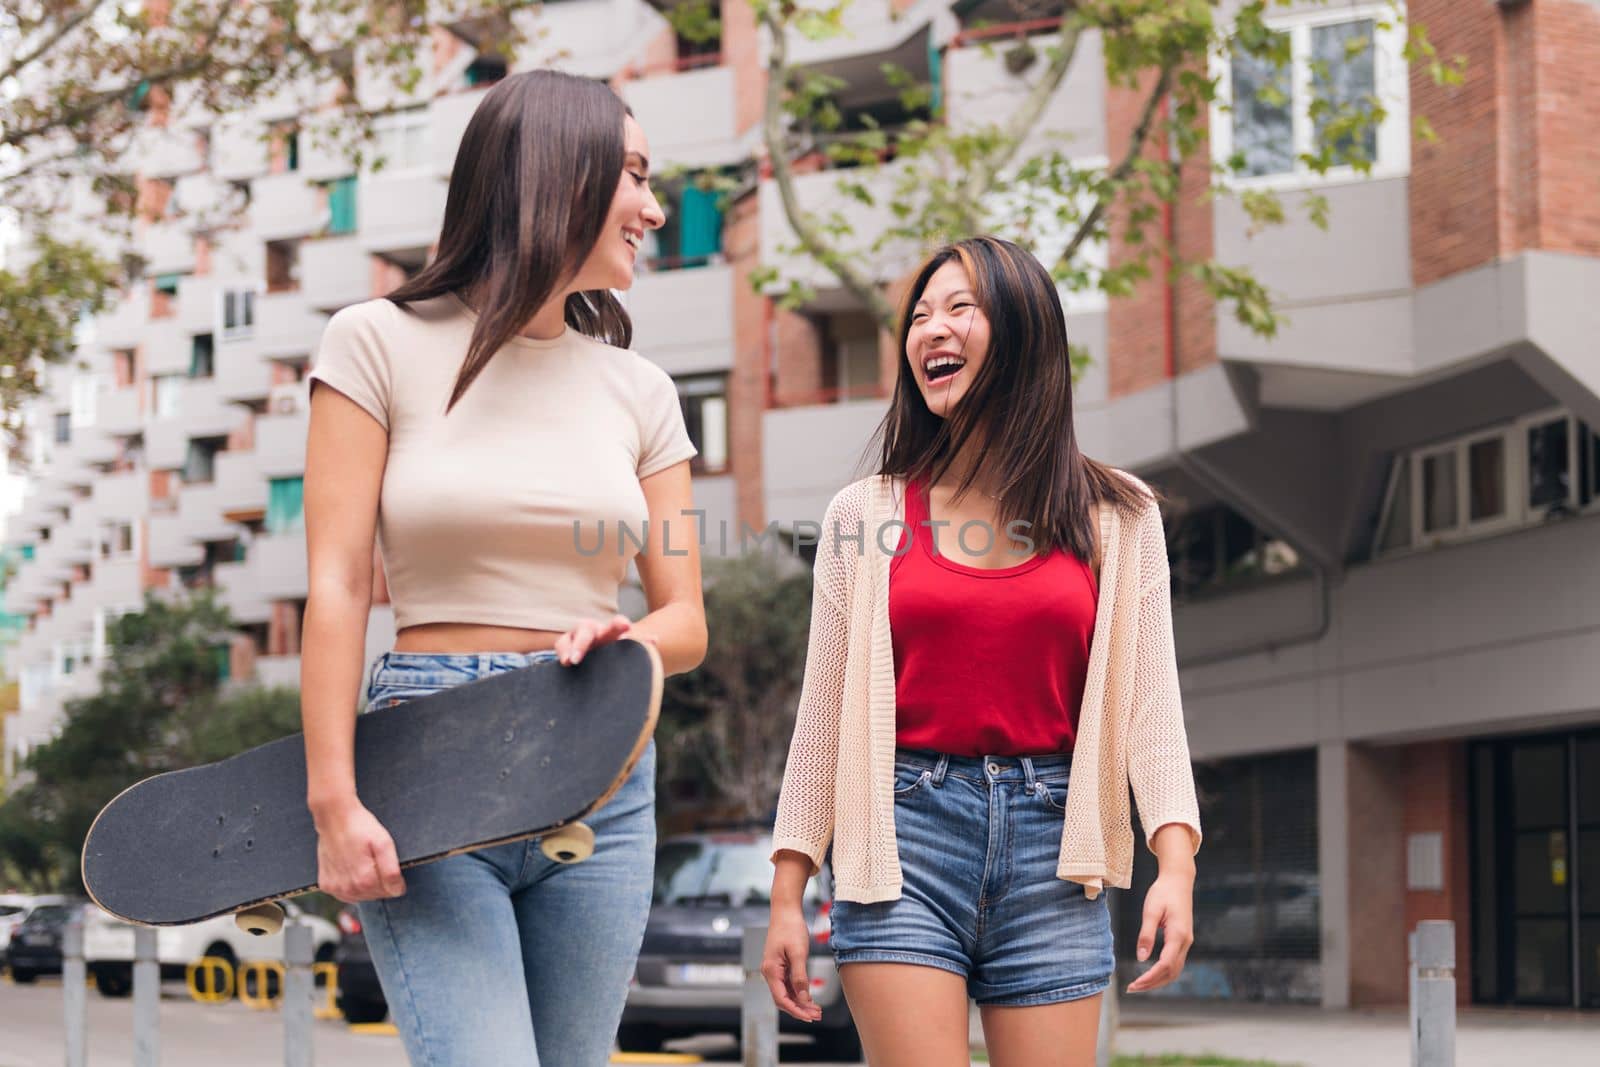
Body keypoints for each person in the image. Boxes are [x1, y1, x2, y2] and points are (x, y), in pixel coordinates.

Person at [300, 70, 707, 1066]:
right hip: (428, 756)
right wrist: (332, 798)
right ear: (556, 175)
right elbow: (339, 584)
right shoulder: (375, 343)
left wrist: (627, 638)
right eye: (638, 177)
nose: (656, 209)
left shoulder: (641, 390)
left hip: (600, 757)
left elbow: (686, 618)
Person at [761, 235, 1202, 1066]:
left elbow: (1152, 706)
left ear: (1026, 330)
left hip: (1056, 848)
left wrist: (1173, 865)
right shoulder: (865, 514)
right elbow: (821, 717)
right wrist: (789, 890)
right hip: (900, 843)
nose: (932, 329)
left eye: (961, 307)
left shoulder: (1120, 515)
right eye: (920, 316)